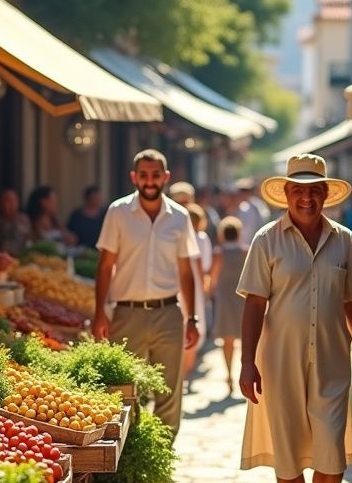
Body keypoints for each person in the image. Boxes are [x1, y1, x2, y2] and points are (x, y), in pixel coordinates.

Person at [239, 154, 352, 483]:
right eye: (299, 191)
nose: (307, 199)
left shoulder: (345, 240)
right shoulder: (267, 239)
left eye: (315, 191)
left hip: (333, 359)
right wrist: (247, 361)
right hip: (280, 361)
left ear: (325, 195)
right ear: (286, 195)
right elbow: (254, 304)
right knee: (288, 449)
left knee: (332, 448)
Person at [93, 149, 200, 436]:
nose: (149, 181)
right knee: (124, 390)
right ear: (134, 177)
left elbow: (186, 272)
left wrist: (192, 319)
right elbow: (105, 267)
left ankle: (161, 462)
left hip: (168, 313)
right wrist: (99, 313)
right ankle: (129, 459)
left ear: (166, 177)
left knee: (169, 391)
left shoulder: (180, 217)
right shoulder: (118, 212)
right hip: (127, 314)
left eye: (155, 175)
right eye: (143, 175)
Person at [211, 215, 246, 394]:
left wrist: (210, 293)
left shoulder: (219, 253)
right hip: (242, 297)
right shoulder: (245, 252)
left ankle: (229, 374)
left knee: (227, 340)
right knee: (246, 338)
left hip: (225, 298)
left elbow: (213, 277)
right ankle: (244, 372)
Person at [182, 203, 213, 388]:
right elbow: (204, 266)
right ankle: (187, 372)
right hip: (194, 288)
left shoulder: (180, 237)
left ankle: (182, 372)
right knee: (194, 327)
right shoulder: (201, 239)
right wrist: (204, 289)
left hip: (178, 287)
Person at [0, 188, 32, 255]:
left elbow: (27, 239)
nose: (8, 205)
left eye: (12, 201)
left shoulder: (23, 219)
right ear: (0, 203)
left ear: (17, 203)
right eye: (5, 201)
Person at [66, 185, 106, 250]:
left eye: (100, 197)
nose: (99, 199)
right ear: (88, 198)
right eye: (96, 197)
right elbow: (69, 232)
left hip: (99, 250)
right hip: (79, 251)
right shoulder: (77, 215)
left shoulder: (105, 214)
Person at [237, 177, 271, 248]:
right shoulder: (243, 205)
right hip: (249, 244)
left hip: (253, 244)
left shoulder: (253, 206)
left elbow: (263, 223)